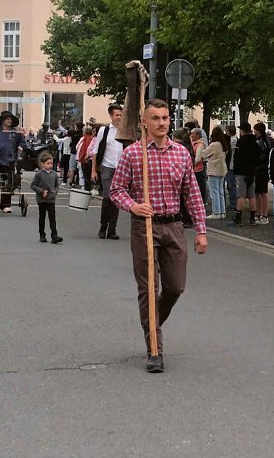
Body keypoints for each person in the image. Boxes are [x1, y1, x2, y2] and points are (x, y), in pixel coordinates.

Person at [109, 99, 207, 373]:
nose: (162, 123)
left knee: (175, 287)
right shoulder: (133, 154)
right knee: (149, 289)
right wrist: (134, 206)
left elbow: (192, 194)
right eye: (156, 118)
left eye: (165, 118)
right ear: (145, 122)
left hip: (174, 226)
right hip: (145, 226)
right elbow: (116, 190)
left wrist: (201, 230)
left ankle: (152, 322)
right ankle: (154, 348)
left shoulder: (181, 153)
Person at [92, 104, 124, 240]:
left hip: (120, 169)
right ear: (111, 116)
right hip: (106, 167)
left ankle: (112, 229)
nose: (120, 117)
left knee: (116, 200)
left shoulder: (125, 130)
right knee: (107, 197)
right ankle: (103, 227)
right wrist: (93, 170)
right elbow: (95, 151)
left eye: (121, 115)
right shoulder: (104, 131)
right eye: (117, 115)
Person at [227, 123, 259, 227]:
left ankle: (238, 217)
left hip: (242, 172)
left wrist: (236, 170)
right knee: (251, 195)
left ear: (243, 131)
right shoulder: (255, 142)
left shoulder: (241, 142)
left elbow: (237, 157)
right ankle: (252, 218)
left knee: (240, 195)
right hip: (252, 171)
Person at [31, 152, 63, 244]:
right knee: (42, 216)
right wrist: (41, 191)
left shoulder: (54, 174)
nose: (50, 165)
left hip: (51, 199)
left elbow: (56, 185)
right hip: (42, 199)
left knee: (52, 217)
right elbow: (33, 185)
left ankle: (54, 235)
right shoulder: (39, 174)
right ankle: (42, 234)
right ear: (42, 164)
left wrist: (55, 192)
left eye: (51, 163)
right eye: (48, 163)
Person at [201, 126, 228, 220]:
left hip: (214, 169)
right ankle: (222, 211)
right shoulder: (223, 144)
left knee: (214, 192)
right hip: (222, 169)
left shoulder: (214, 145)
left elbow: (203, 154)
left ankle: (216, 212)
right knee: (220, 192)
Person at [253, 123, 274, 224]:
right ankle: (259, 214)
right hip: (260, 169)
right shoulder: (263, 140)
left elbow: (262, 155)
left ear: (258, 131)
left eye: (255, 130)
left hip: (262, 169)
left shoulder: (263, 141)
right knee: (257, 192)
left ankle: (264, 215)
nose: (254, 132)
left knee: (262, 192)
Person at [224, 124, 238, 210]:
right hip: (231, 165)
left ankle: (233, 203)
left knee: (231, 185)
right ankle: (233, 202)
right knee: (230, 185)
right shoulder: (234, 139)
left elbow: (228, 152)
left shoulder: (232, 140)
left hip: (231, 165)